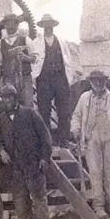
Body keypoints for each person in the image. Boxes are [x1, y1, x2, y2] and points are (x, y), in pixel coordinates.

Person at [0, 84, 57, 219]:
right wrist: (1, 151)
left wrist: (44, 158)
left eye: (9, 97)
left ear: (15, 98)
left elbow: (45, 137)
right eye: (4, 98)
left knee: (39, 200)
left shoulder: (30, 113)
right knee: (21, 203)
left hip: (34, 165)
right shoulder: (2, 119)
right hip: (16, 168)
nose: (7, 101)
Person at [71, 70, 110, 219]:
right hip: (91, 140)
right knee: (95, 173)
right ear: (90, 82)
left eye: (100, 80)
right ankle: (99, 206)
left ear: (105, 81)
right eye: (94, 80)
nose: (97, 83)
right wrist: (76, 129)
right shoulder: (85, 98)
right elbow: (76, 116)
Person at [33, 14, 73, 149]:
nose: (48, 27)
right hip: (44, 79)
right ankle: (46, 140)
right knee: (44, 110)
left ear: (53, 26)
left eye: (50, 24)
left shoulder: (62, 42)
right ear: (42, 26)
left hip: (60, 78)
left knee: (64, 110)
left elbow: (68, 60)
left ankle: (64, 140)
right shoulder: (36, 43)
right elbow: (34, 60)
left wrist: (69, 78)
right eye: (45, 25)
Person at [0, 13, 37, 107]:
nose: (10, 27)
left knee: (27, 105)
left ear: (17, 25)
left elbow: (34, 59)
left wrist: (25, 57)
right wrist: (0, 85)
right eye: (7, 24)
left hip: (25, 79)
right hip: (8, 79)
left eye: (13, 24)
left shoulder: (26, 40)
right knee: (10, 106)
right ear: (4, 26)